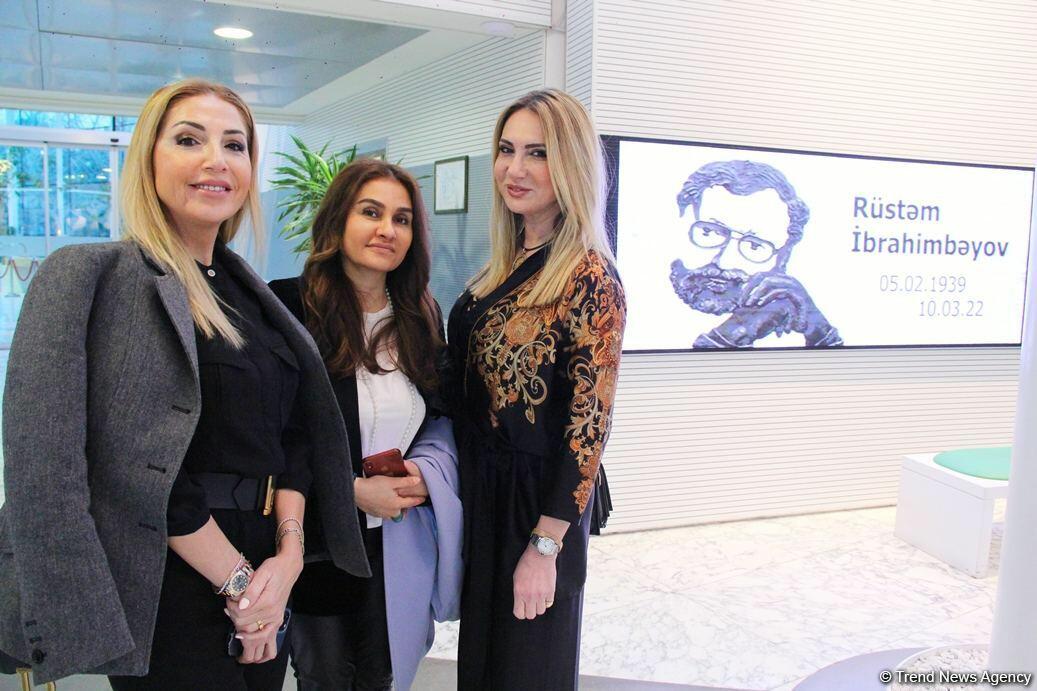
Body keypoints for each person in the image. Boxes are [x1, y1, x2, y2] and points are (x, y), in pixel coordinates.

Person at [0, 78, 368, 689]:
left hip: (268, 565)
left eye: (235, 145)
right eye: (189, 140)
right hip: (169, 575)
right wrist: (240, 584)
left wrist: (287, 558)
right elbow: (120, 461)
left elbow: (295, 436)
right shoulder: (99, 277)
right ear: (149, 159)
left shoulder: (254, 295)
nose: (215, 160)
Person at [447, 89, 626, 690]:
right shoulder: (504, 264)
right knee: (485, 667)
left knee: (527, 671)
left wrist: (545, 546)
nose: (514, 169)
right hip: (487, 495)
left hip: (537, 508)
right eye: (506, 150)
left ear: (571, 164)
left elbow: (589, 426)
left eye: (537, 153)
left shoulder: (588, 276)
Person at [269, 159, 462, 691]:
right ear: (339, 219)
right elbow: (276, 433)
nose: (387, 230)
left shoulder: (420, 316)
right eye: (371, 212)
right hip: (318, 539)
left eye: (402, 219)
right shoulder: (288, 306)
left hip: (397, 541)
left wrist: (425, 474)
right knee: (327, 677)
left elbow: (440, 416)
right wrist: (350, 490)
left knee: (383, 675)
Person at [670, 160, 842, 348]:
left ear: (783, 257)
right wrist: (731, 335)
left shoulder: (784, 312)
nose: (724, 261)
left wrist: (820, 332)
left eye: (754, 246)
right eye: (708, 232)